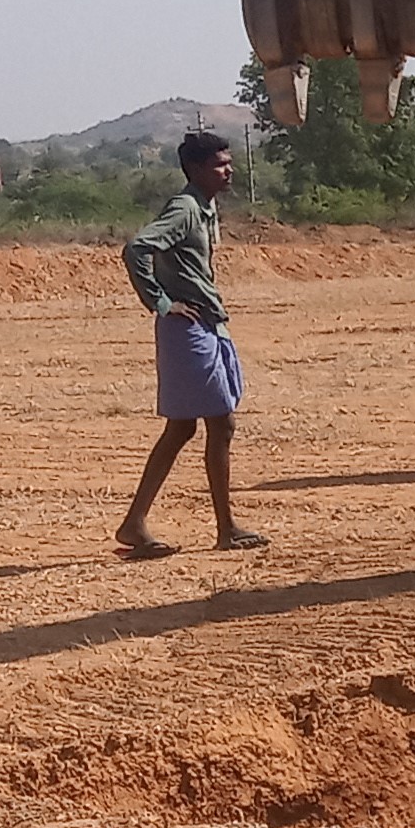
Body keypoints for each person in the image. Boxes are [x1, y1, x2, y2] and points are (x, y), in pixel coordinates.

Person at [117, 131, 264, 557]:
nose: (228, 169)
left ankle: (136, 523)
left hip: (205, 324)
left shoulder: (204, 208)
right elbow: (137, 249)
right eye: (220, 164)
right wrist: (161, 303)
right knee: (220, 423)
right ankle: (225, 528)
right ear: (196, 170)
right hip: (188, 327)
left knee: (185, 427)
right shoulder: (184, 209)